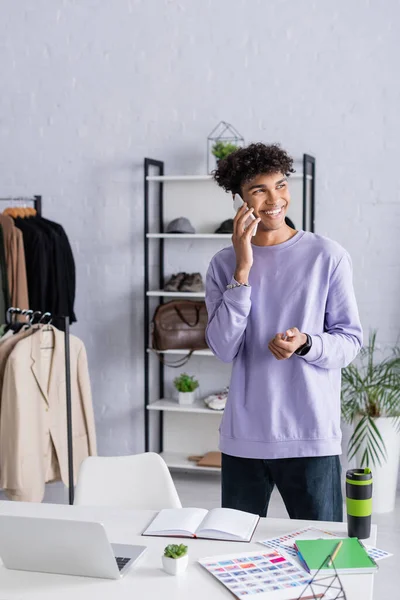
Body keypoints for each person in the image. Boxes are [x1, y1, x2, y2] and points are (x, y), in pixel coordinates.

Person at [205, 143, 362, 521]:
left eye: (281, 185)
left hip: (310, 436)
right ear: (239, 198)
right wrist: (243, 270)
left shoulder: (328, 256)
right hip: (244, 438)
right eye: (259, 190)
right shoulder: (223, 264)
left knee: (322, 557)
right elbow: (223, 348)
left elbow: (349, 341)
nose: (274, 199)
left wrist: (307, 343)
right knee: (235, 554)